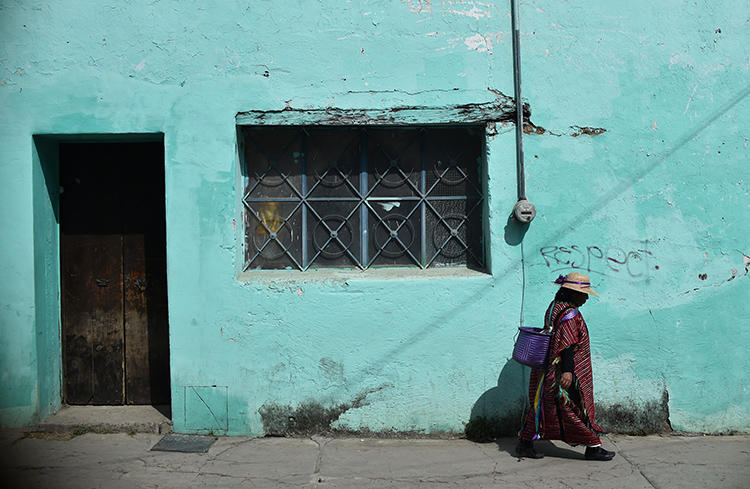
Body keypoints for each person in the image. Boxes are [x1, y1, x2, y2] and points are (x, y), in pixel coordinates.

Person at [516, 272, 615, 461]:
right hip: (563, 371)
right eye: (582, 293)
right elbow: (567, 344)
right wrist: (568, 371)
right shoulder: (570, 315)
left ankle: (524, 443)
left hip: (546, 370)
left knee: (543, 407)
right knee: (573, 407)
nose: (586, 297)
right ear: (571, 293)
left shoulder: (554, 307)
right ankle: (593, 446)